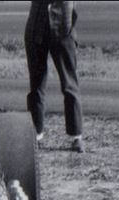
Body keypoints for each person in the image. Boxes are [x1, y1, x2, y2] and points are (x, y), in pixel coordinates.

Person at [24, 0, 84, 153]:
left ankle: (76, 136)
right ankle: (36, 134)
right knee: (36, 85)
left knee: (69, 84)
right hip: (37, 24)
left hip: (63, 26)